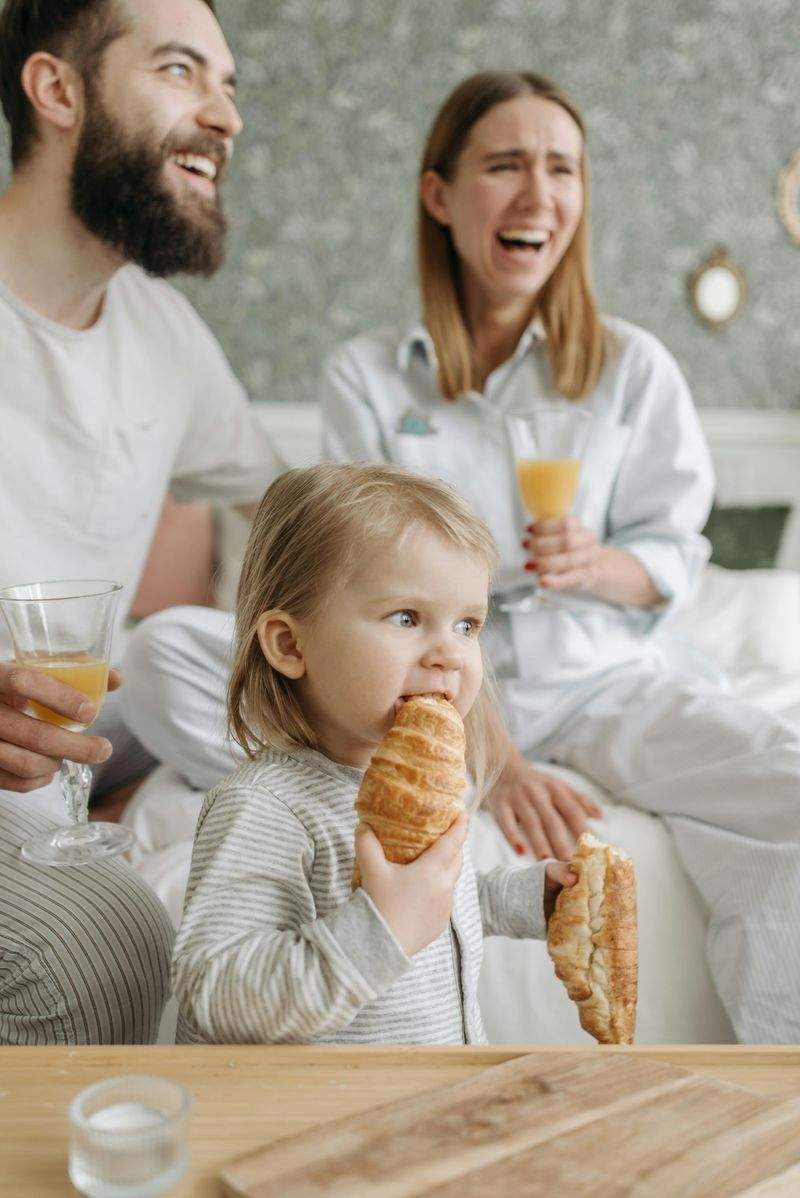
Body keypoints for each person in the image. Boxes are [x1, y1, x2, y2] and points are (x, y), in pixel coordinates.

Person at [316, 71, 800, 1045]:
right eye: (504, 165)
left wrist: (595, 565)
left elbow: (670, 552)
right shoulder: (365, 381)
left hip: (604, 678)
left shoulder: (629, 369)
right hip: (435, 702)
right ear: (438, 194)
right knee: (198, 667)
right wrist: (492, 760)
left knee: (782, 788)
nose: (539, 196)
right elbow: (364, 593)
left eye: (562, 169)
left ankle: (772, 1088)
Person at [0, 0, 282, 1044]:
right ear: (58, 91)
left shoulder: (162, 332)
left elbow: (295, 506)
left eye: (229, 86)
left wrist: (432, 627)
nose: (225, 118)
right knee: (109, 941)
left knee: (175, 650)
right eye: (180, 71)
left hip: (61, 776)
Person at [171, 462, 575, 1044]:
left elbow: (437, 899)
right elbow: (216, 991)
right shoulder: (267, 810)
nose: (450, 654)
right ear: (290, 644)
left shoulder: (421, 783)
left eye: (468, 625)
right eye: (407, 618)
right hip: (326, 1119)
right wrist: (383, 928)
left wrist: (524, 899)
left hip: (420, 1107)